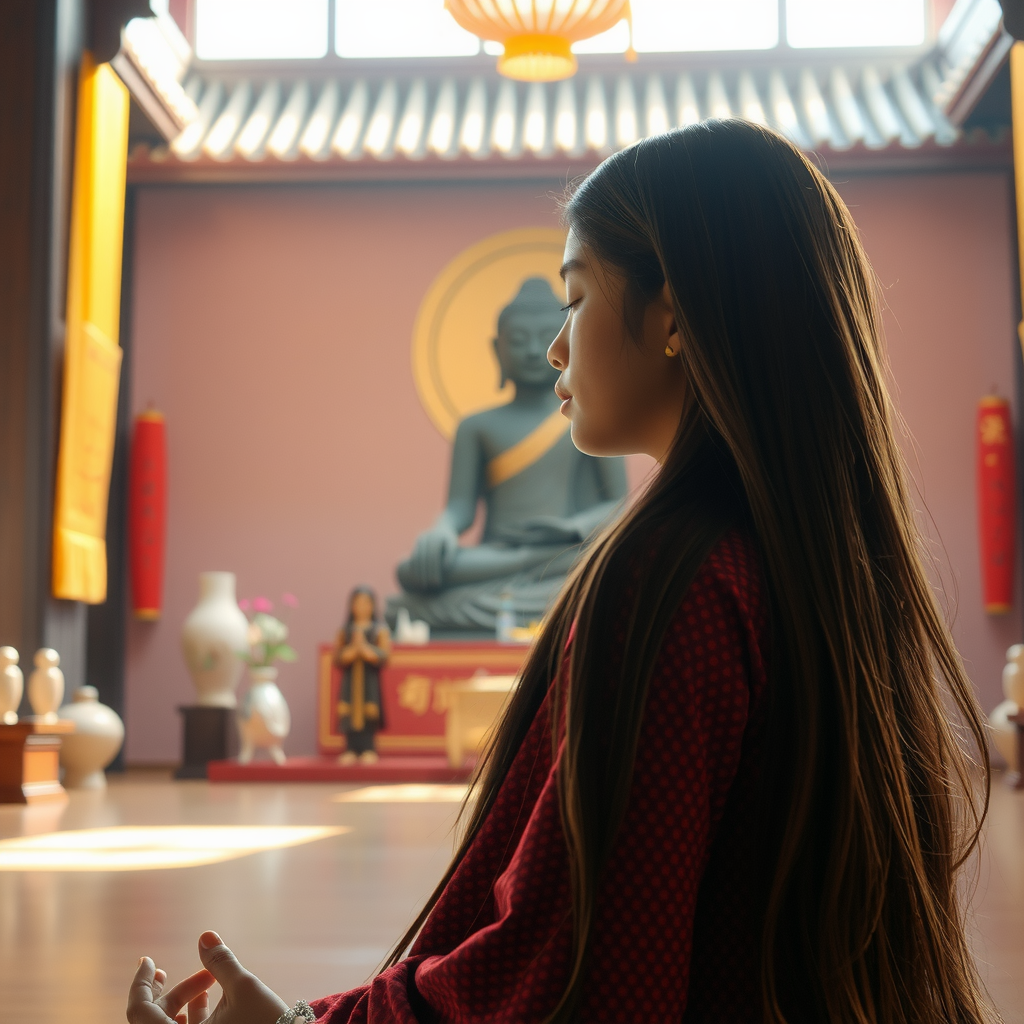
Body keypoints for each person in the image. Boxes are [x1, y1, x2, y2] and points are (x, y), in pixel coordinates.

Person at [127, 120, 995, 1024]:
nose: (551, 350)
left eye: (574, 299)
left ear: (670, 316)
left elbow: (579, 972)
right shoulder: (806, 567)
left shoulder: (669, 581)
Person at [390, 276, 627, 634]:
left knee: (605, 564)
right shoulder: (476, 427)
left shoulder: (591, 417)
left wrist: (567, 530)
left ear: (567, 344)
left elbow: (619, 505)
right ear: (496, 349)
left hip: (561, 552)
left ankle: (538, 584)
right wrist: (440, 532)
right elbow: (460, 509)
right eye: (518, 340)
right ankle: (538, 593)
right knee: (412, 574)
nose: (533, 350)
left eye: (544, 336)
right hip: (495, 557)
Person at [334, 587, 390, 765]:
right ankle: (350, 749)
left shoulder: (379, 630)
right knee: (348, 712)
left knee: (369, 712)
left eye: (366, 603)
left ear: (373, 606)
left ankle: (368, 748)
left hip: (369, 681)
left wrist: (364, 648)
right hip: (349, 681)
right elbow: (338, 657)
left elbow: (384, 656)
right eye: (357, 603)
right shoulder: (345, 631)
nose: (362, 607)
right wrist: (353, 650)